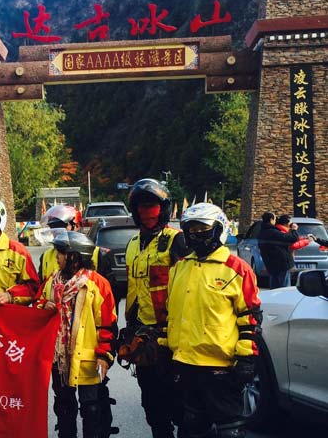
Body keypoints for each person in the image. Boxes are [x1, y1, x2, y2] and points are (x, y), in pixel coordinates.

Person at [164, 203, 261, 438]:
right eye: (191, 230)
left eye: (203, 229)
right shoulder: (179, 268)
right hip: (185, 364)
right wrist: (163, 347)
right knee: (190, 426)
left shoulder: (237, 269)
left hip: (220, 368)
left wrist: (246, 359)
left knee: (229, 429)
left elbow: (250, 317)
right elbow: (173, 315)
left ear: (218, 229)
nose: (197, 235)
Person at [36, 231, 117, 438]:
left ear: (74, 256)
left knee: (91, 408)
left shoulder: (97, 284)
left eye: (61, 253)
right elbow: (37, 301)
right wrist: (44, 305)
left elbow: (108, 324)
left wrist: (103, 356)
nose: (57, 257)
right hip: (59, 358)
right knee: (64, 407)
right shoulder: (52, 281)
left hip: (88, 359)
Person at [123, 178, 188, 438]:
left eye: (152, 206)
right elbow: (130, 289)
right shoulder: (132, 244)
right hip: (142, 336)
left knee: (181, 405)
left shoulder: (177, 241)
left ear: (164, 209)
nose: (147, 212)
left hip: (172, 336)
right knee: (151, 403)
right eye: (141, 207)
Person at [38, 204, 118, 312]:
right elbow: (39, 292)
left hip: (87, 317)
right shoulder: (46, 256)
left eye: (60, 226)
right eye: (52, 227)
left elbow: (109, 295)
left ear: (76, 226)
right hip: (55, 317)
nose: (55, 231)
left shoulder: (96, 253)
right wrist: (44, 304)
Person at [258, 211, 298, 289]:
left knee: (274, 288)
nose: (276, 221)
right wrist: (294, 230)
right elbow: (292, 238)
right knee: (284, 289)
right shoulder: (273, 232)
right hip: (281, 264)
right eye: (275, 219)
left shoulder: (261, 233)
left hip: (270, 264)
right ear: (271, 220)